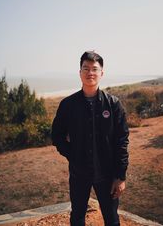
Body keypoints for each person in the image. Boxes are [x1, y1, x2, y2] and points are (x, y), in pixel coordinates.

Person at [51, 51, 129, 226]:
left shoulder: (113, 104)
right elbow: (57, 135)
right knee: (77, 217)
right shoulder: (68, 105)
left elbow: (122, 141)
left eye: (94, 69)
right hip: (79, 174)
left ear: (102, 73)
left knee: (111, 218)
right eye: (85, 68)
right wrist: (72, 154)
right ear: (80, 72)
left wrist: (120, 176)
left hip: (108, 174)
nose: (90, 73)